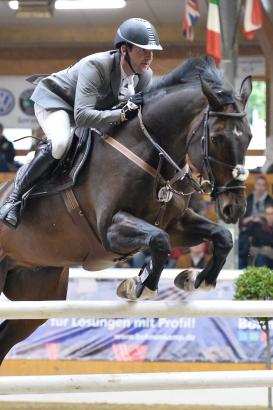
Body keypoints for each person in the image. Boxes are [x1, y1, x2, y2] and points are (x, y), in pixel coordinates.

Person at [0, 18, 162, 228]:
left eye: (152, 51)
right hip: (57, 102)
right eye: (143, 50)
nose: (149, 57)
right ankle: (15, 199)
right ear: (124, 49)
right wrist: (121, 114)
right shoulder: (96, 65)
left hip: (90, 111)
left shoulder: (144, 76)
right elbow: (83, 117)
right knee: (60, 143)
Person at [243, 203, 273, 268]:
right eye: (268, 214)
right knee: (261, 259)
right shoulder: (258, 226)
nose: (270, 216)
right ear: (265, 215)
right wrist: (251, 219)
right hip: (260, 256)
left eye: (271, 214)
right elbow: (246, 232)